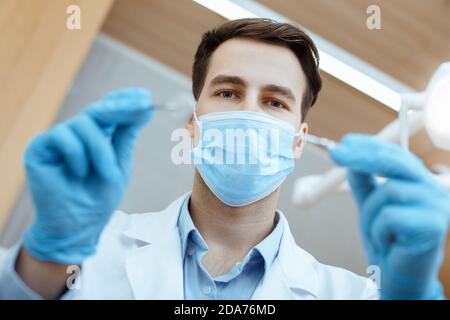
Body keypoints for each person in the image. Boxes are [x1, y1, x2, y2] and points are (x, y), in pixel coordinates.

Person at [0, 18, 449, 300]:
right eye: (228, 92)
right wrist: (46, 258)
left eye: (275, 103)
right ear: (193, 124)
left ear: (299, 141)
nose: (249, 112)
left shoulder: (354, 294)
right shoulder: (89, 251)